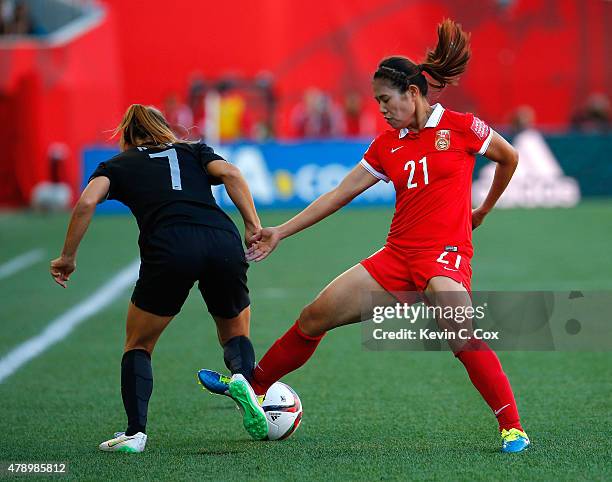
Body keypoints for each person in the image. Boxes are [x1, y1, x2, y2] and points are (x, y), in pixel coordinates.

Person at [201, 19, 530, 453]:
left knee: (459, 330)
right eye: (378, 101)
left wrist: (483, 209)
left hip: (444, 255)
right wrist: (280, 230)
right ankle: (254, 385)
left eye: (386, 99)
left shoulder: (463, 128)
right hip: (396, 257)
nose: (382, 108)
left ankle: (513, 426)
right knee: (314, 316)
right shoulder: (386, 145)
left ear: (412, 93)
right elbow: (338, 194)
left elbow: (509, 158)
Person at [50, 104, 269, 452]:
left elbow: (87, 202)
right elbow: (231, 174)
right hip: (220, 240)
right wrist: (253, 227)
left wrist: (68, 257)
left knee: (138, 344)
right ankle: (242, 378)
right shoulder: (193, 150)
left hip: (170, 246)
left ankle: (135, 434)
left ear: (127, 135)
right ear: (164, 128)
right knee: (235, 333)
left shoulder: (118, 164)